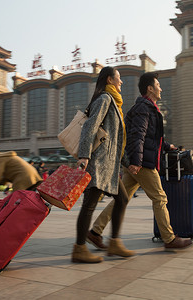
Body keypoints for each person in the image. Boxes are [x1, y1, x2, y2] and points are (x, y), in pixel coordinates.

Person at [87, 72, 192, 251]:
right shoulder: (144, 108)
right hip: (142, 163)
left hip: (137, 161)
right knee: (160, 198)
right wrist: (136, 161)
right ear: (150, 88)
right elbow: (137, 135)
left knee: (122, 199)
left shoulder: (147, 107)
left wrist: (167, 146)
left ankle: (95, 232)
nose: (161, 88)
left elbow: (150, 137)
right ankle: (169, 238)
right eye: (158, 85)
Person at [72, 66, 133, 263]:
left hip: (110, 165)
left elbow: (115, 139)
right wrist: (83, 155)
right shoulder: (105, 99)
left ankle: (114, 243)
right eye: (118, 78)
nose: (121, 82)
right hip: (98, 163)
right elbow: (90, 126)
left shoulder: (114, 102)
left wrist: (126, 162)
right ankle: (79, 249)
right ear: (109, 80)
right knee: (89, 205)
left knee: (122, 199)